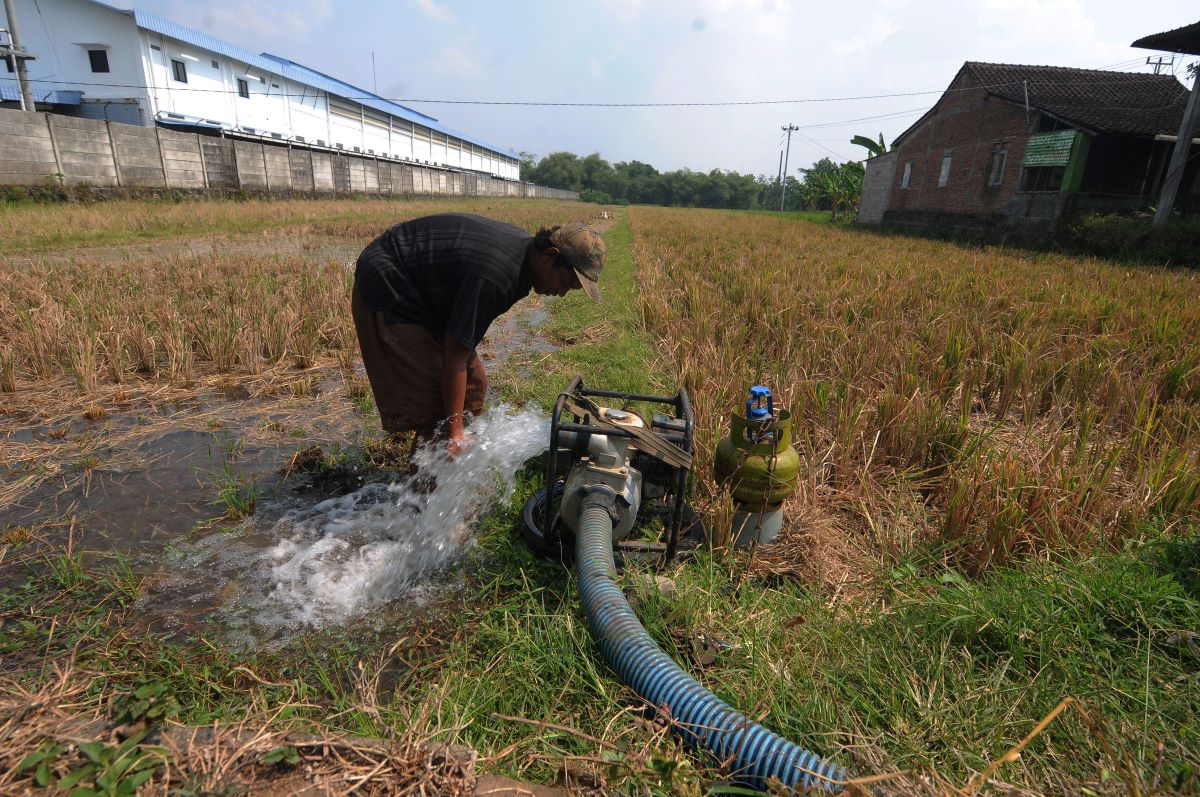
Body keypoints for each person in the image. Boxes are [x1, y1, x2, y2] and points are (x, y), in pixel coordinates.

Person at [351, 213, 605, 457]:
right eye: (566, 283)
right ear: (550, 256)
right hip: (391, 284)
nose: (561, 293)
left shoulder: (522, 257)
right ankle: (422, 496)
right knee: (437, 411)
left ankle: (451, 470)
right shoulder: (498, 275)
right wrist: (454, 431)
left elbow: (460, 342)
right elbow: (455, 355)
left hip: (427, 293)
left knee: (473, 388)